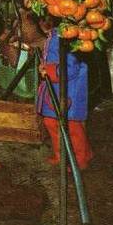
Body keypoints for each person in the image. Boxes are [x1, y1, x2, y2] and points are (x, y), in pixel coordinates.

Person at [37, 27, 93, 170]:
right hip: (55, 89)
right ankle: (61, 155)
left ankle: (80, 159)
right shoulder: (54, 34)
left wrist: (48, 70)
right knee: (51, 121)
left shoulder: (70, 36)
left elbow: (71, 68)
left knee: (73, 126)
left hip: (70, 89)